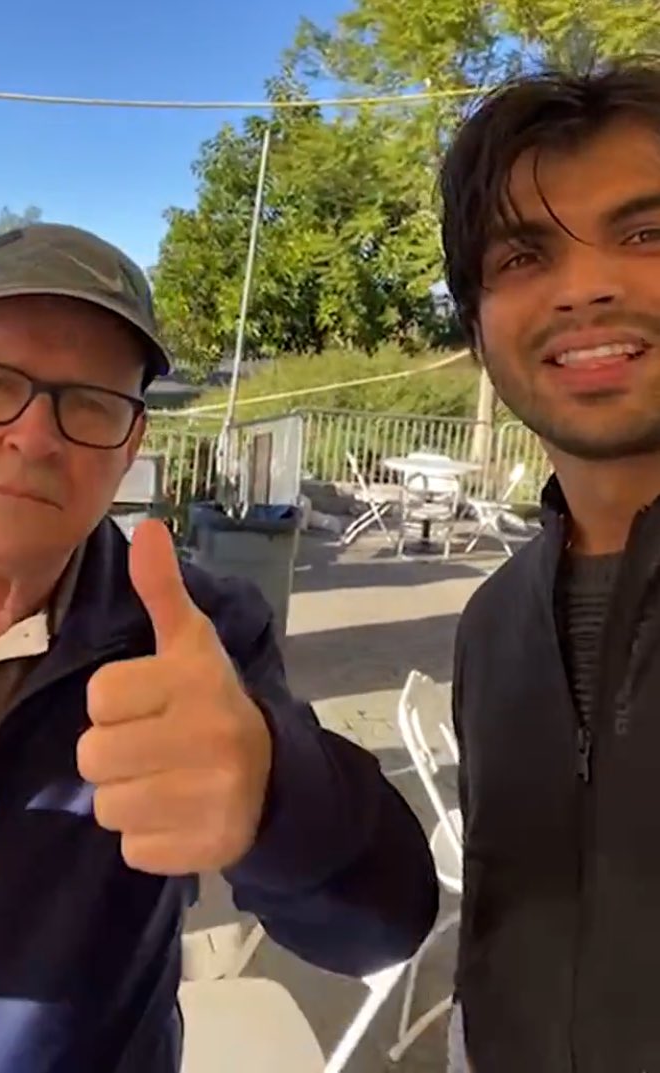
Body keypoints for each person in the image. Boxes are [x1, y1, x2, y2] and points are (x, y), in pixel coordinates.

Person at [0, 223, 438, 1072]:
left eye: (89, 402)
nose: (35, 436)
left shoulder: (201, 631)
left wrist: (274, 789)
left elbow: (376, 928)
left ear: (128, 448)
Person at [439, 58, 660, 1072]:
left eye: (644, 233)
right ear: (477, 328)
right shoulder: (492, 626)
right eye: (520, 257)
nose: (584, 286)